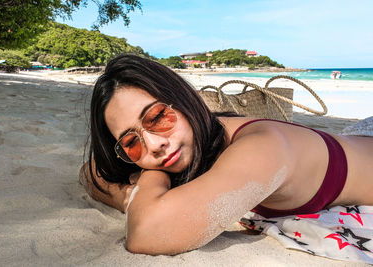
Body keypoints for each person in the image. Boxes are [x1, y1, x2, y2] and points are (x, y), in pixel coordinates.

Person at [79, 54, 373, 255]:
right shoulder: (199, 138)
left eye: (156, 117)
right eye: (131, 142)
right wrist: (142, 187)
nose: (154, 144)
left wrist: (143, 182)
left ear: (183, 99)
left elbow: (148, 232)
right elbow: (91, 171)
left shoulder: (262, 148)